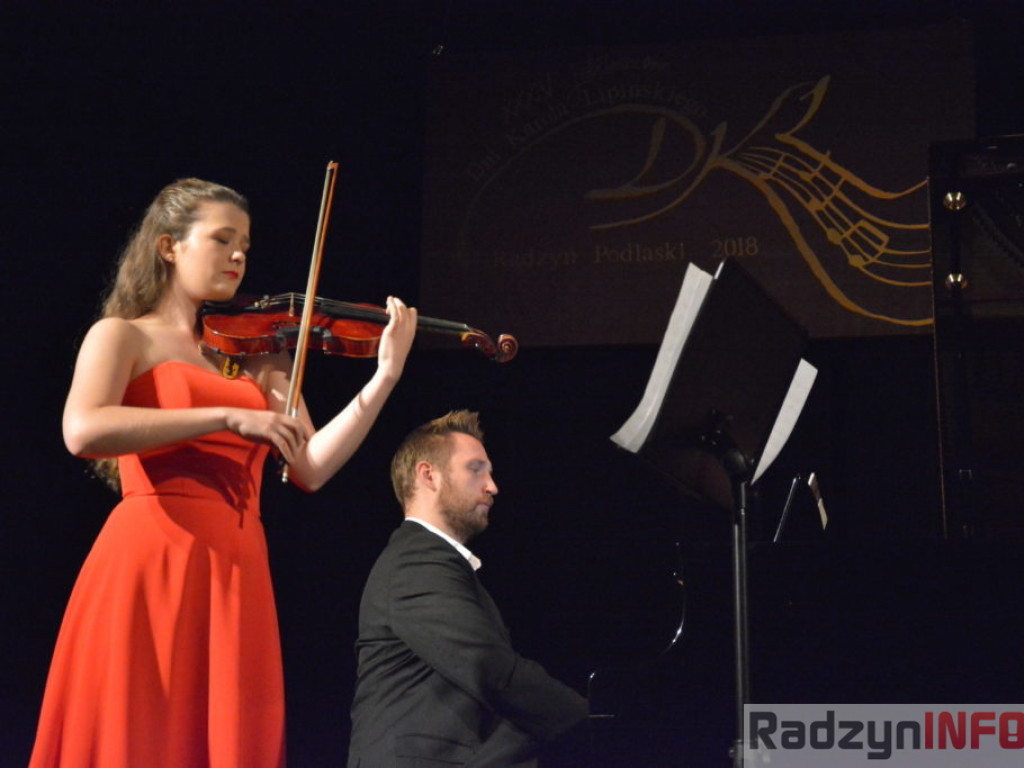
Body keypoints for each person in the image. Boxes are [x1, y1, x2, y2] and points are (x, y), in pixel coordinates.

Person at [29, 177, 417, 768]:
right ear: (169, 247)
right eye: (222, 239)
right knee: (139, 733)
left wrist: (383, 376)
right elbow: (82, 430)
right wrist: (226, 417)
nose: (239, 255)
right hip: (152, 556)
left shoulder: (255, 354)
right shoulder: (122, 335)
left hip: (237, 565)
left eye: (246, 245)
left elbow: (310, 466)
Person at [347, 410, 589, 767]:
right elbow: (488, 667)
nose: (492, 486)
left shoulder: (432, 562)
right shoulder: (416, 561)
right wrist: (592, 721)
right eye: (476, 470)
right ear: (428, 475)